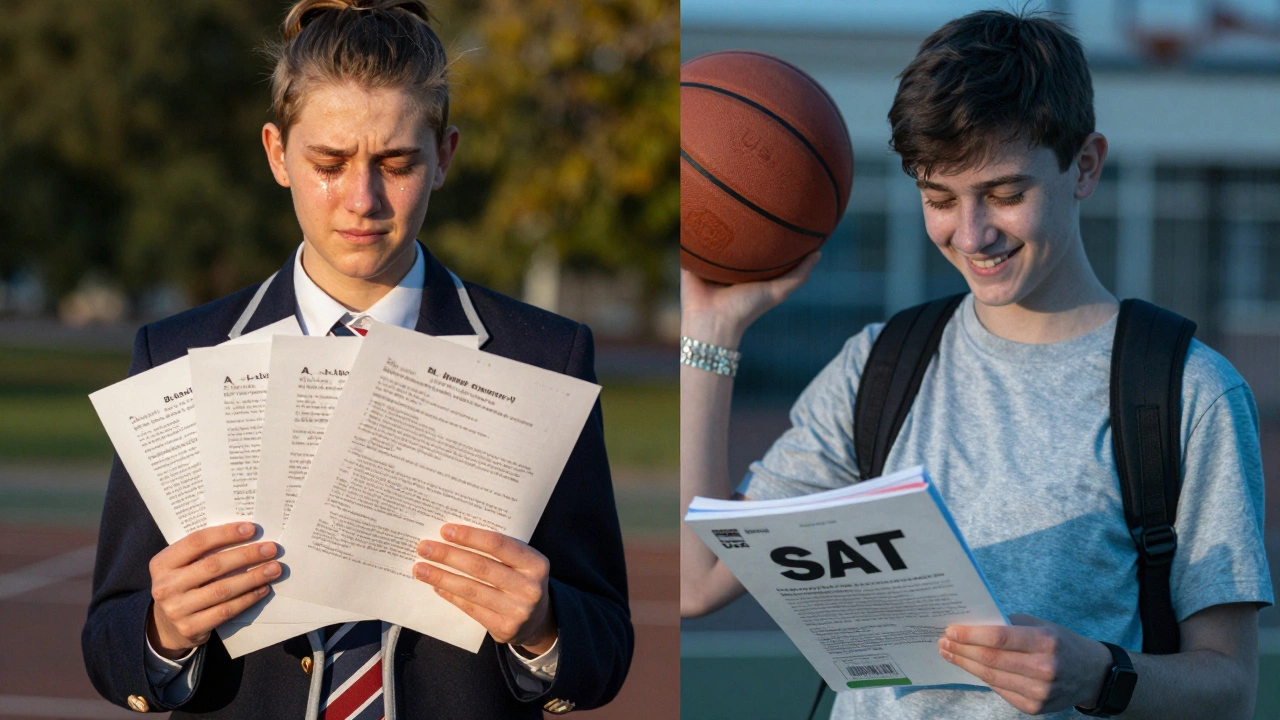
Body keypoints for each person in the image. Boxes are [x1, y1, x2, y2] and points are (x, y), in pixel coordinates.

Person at [680, 9, 1271, 720]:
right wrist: (712, 335)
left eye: (1004, 193)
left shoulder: (1185, 392)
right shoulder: (879, 366)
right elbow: (695, 582)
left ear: (1084, 165)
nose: (972, 234)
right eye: (939, 199)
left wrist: (1099, 674)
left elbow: (1231, 690)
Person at [81, 2, 632, 717]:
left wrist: (541, 625)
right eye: (329, 163)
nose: (362, 199)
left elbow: (606, 646)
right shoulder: (179, 356)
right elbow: (107, 641)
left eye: (396, 163)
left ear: (446, 157)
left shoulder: (544, 358)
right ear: (278, 154)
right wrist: (163, 631)